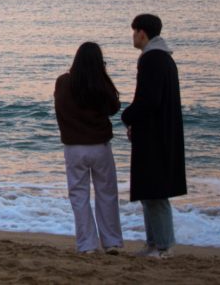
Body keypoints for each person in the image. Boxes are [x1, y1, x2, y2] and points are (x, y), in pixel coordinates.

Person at [120, 13, 186, 259]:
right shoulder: (163, 58)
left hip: (155, 136)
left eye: (134, 31)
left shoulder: (152, 59)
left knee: (155, 193)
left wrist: (128, 116)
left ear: (142, 33)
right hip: (158, 132)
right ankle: (153, 243)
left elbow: (148, 100)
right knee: (149, 192)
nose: (132, 36)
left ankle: (163, 246)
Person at [53, 41, 124, 255]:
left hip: (74, 146)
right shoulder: (100, 83)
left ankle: (87, 244)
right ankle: (111, 241)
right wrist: (104, 77)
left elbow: (60, 109)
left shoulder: (64, 82)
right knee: (107, 193)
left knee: (79, 196)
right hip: (100, 145)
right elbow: (114, 107)